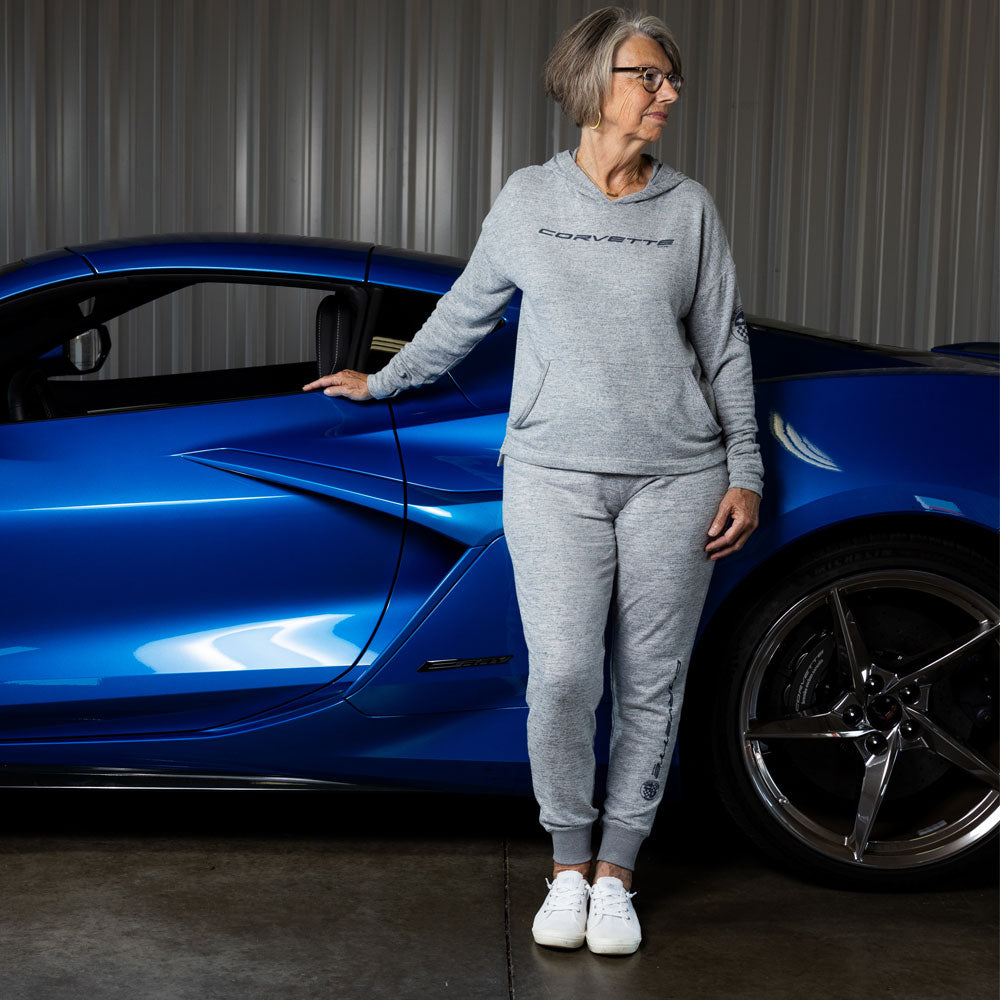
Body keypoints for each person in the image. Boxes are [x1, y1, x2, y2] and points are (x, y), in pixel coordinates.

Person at [303, 5, 762, 957]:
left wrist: (745, 471)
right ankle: (564, 862)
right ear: (596, 85)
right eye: (650, 76)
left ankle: (618, 873)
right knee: (560, 676)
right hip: (552, 474)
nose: (669, 93)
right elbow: (466, 311)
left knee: (651, 682)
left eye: (673, 79)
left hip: (678, 477)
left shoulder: (690, 208)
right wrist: (382, 380)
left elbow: (724, 347)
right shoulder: (527, 199)